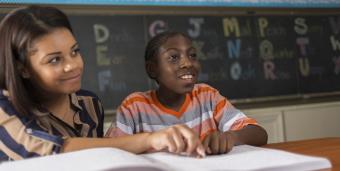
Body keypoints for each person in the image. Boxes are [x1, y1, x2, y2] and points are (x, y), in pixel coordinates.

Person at [0, 6, 205, 161]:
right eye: (55, 59)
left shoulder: (89, 105)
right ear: (22, 68)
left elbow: (97, 160)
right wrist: (150, 139)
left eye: (75, 52)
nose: (73, 65)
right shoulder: (4, 108)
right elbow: (52, 151)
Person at [106, 31, 268, 155]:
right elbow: (110, 150)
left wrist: (231, 137)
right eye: (174, 57)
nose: (187, 63)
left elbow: (259, 133)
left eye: (192, 55)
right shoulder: (134, 107)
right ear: (152, 69)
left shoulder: (207, 96)